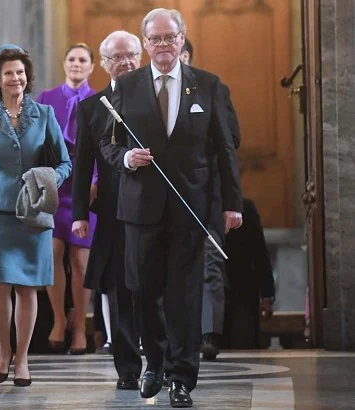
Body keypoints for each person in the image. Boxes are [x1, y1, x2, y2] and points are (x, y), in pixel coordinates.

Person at [99, 8, 243, 407]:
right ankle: (154, 364)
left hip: (190, 209)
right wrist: (126, 159)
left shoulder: (210, 86)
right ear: (145, 44)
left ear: (182, 39)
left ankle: (182, 377)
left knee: (184, 296)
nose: (163, 46)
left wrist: (231, 204)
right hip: (140, 209)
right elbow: (108, 143)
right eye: (156, 39)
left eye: (170, 37)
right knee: (142, 290)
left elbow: (225, 150)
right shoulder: (125, 86)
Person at [0, 44, 71, 386]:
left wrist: (48, 178)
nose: (15, 78)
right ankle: (3, 351)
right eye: (8, 72)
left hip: (34, 210)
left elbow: (65, 162)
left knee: (27, 287)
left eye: (20, 72)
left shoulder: (45, 114)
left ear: (27, 77)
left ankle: (22, 359)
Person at [71, 30, 143, 390]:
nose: (125, 62)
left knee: (156, 288)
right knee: (118, 291)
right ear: (104, 64)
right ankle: (128, 369)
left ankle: (162, 363)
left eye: (131, 55)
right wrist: (80, 213)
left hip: (154, 211)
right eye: (117, 57)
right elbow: (83, 164)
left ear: (140, 57)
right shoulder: (91, 108)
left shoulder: (158, 100)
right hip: (113, 214)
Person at [180, 38, 242, 360]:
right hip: (169, 195)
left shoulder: (212, 88)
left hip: (208, 194)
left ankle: (209, 334)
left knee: (210, 263)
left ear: (187, 55)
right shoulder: (153, 94)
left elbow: (231, 139)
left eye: (180, 53)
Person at [37, 43, 96, 354]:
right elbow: (36, 141)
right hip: (54, 185)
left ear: (91, 66)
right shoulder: (47, 98)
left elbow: (104, 145)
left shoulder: (100, 100)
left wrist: (96, 182)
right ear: (64, 63)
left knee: (81, 262)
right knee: (52, 253)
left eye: (82, 60)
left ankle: (81, 327)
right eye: (71, 58)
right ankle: (59, 319)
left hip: (85, 187)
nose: (76, 64)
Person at [222, 198, 275, 349]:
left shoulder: (244, 208)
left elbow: (259, 253)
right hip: (207, 301)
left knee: (244, 346)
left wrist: (267, 295)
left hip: (241, 295)